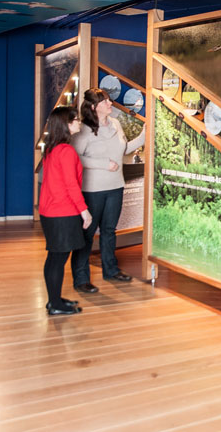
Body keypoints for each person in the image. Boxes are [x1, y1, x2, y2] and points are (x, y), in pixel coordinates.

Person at [70, 88, 145, 293]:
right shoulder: (83, 130)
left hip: (116, 186)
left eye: (110, 101)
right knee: (87, 234)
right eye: (106, 102)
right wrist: (102, 164)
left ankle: (111, 270)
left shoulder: (116, 124)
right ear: (94, 107)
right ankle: (81, 278)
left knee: (110, 231)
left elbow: (124, 149)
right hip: (92, 190)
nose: (110, 104)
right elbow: (75, 159)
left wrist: (144, 135)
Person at [39, 106, 92, 315]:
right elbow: (71, 185)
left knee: (55, 257)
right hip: (62, 212)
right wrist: (84, 211)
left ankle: (54, 300)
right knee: (58, 259)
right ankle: (55, 305)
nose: (79, 122)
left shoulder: (51, 149)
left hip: (50, 211)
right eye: (75, 120)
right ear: (66, 124)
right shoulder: (67, 151)